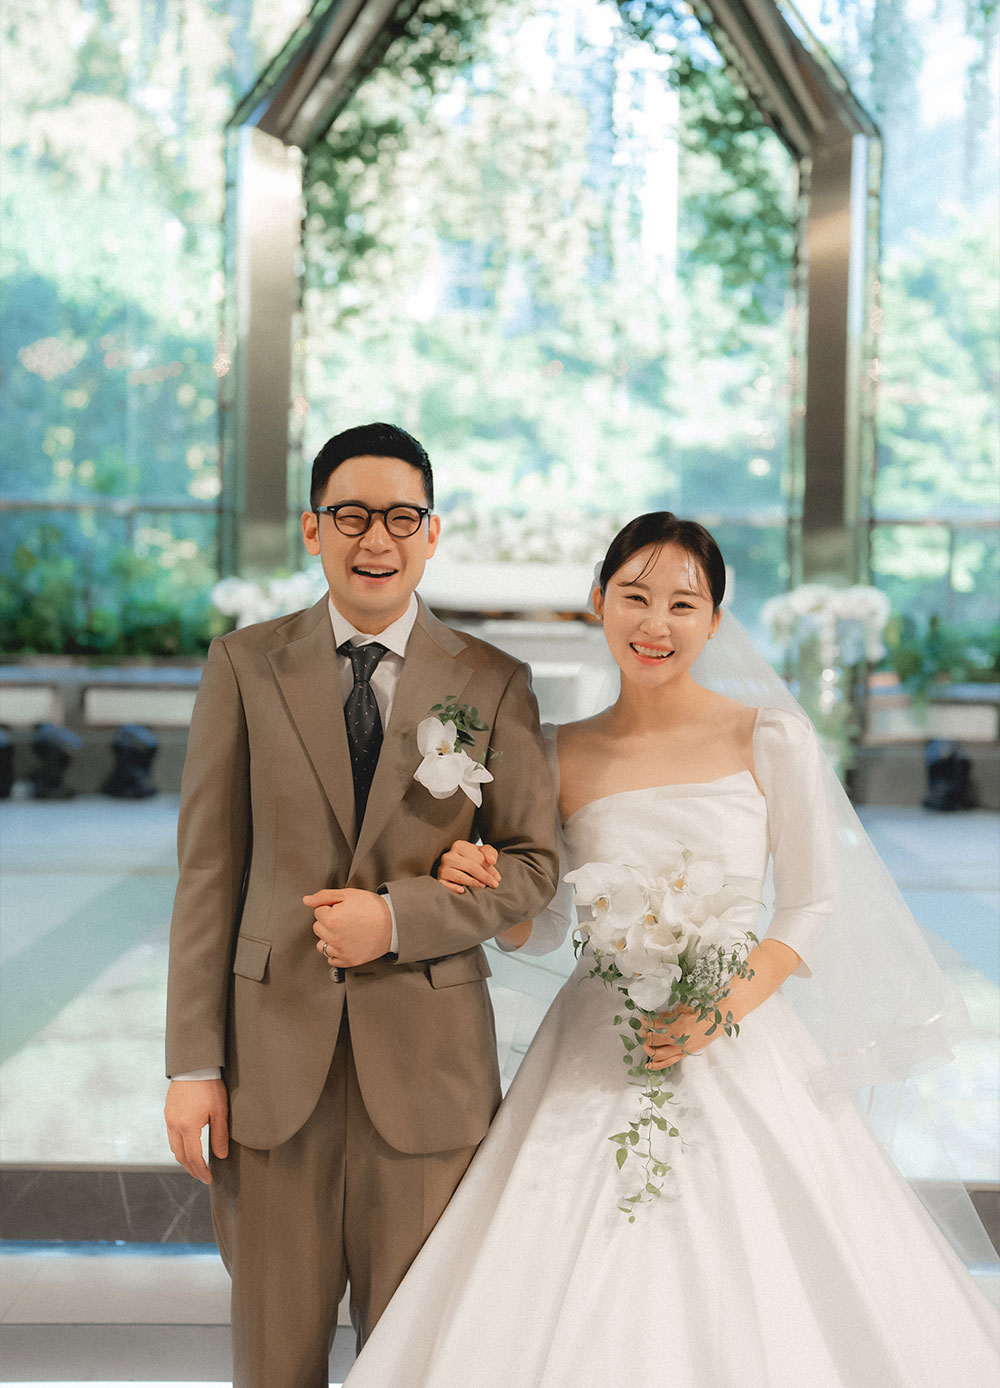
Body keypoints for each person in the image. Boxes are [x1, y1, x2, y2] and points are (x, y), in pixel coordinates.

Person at [342, 512, 998, 1387]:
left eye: (683, 605)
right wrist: (485, 889)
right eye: (635, 597)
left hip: (737, 1032)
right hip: (596, 1037)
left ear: (715, 620)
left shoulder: (770, 738)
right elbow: (541, 926)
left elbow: (809, 904)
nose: (656, 623)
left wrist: (718, 1011)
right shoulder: (556, 751)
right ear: (598, 602)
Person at [163, 422, 559, 1388]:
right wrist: (193, 1065)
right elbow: (208, 874)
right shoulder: (245, 665)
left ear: (432, 533)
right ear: (313, 528)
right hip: (271, 1075)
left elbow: (533, 868)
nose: (376, 539)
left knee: (416, 1363)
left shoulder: (492, 680)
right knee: (273, 1362)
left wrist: (398, 918)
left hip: (429, 1079)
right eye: (351, 515)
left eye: (401, 517)